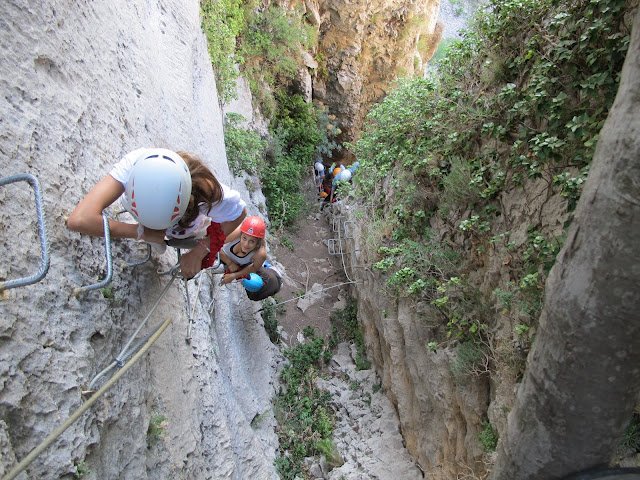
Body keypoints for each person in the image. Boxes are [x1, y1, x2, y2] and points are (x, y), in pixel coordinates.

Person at [67, 148, 247, 279]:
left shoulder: (208, 194)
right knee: (157, 237)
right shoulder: (136, 165)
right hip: (151, 223)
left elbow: (239, 214)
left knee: (188, 238)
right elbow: (80, 219)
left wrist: (201, 250)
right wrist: (140, 232)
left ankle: (164, 237)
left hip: (186, 228)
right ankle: (156, 238)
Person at [218, 215, 282, 300]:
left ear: (258, 243)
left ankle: (272, 272)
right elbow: (215, 244)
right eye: (244, 238)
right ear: (241, 235)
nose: (246, 244)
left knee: (258, 284)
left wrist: (234, 276)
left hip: (244, 264)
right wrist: (230, 263)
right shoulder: (236, 233)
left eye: (252, 241)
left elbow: (253, 268)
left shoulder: (260, 253)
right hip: (231, 260)